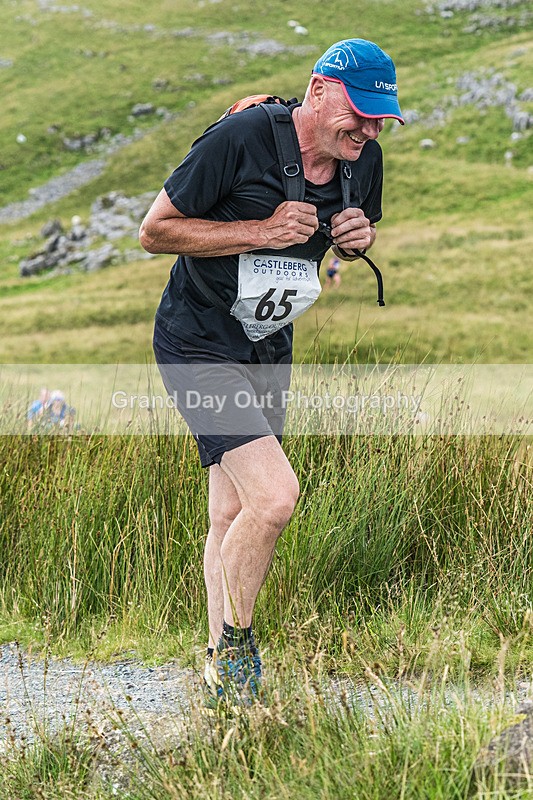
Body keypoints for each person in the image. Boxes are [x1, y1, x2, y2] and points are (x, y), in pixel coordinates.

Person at [139, 38, 403, 705]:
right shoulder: (240, 138)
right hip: (197, 340)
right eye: (359, 113)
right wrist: (258, 231)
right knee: (275, 497)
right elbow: (155, 231)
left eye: (380, 118)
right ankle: (238, 648)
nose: (368, 130)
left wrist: (354, 238)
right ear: (317, 90)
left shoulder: (362, 159)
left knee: (230, 508)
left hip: (266, 345)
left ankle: (213, 674)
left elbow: (352, 230)